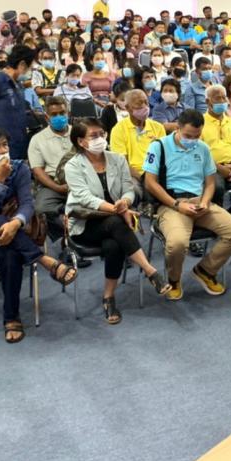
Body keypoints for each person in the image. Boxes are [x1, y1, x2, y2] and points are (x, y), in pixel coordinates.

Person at [0, 125, 77, 343]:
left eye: (5, 145)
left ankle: (11, 318)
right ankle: (44, 260)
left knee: (10, 252)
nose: (3, 151)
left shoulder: (19, 168)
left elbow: (28, 204)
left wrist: (15, 223)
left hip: (14, 234)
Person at [64, 119, 169, 323]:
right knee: (116, 223)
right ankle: (150, 271)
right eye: (93, 136)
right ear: (81, 141)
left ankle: (108, 297)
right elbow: (84, 197)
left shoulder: (117, 159)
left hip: (115, 223)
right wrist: (115, 209)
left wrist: (125, 202)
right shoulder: (73, 166)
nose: (100, 139)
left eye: (102, 134)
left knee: (113, 245)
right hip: (86, 224)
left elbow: (129, 189)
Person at [142, 109, 231, 300]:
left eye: (197, 136)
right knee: (177, 243)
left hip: (199, 202)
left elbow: (210, 182)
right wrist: (177, 205)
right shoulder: (159, 147)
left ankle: (205, 270)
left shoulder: (203, 148)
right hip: (171, 204)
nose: (193, 140)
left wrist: (205, 202)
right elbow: (150, 183)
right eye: (188, 135)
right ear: (178, 128)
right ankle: (174, 280)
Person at [28, 96, 73, 239]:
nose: (59, 117)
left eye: (62, 113)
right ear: (47, 117)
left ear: (68, 113)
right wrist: (57, 188)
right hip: (53, 184)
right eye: (54, 114)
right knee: (41, 208)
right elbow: (37, 171)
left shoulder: (78, 133)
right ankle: (68, 234)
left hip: (81, 182)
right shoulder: (37, 139)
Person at [110, 88, 167, 184]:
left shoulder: (158, 127)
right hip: (134, 175)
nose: (145, 107)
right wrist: (144, 180)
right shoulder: (118, 130)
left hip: (157, 173)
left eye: (146, 102)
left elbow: (164, 157)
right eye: (139, 104)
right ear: (127, 108)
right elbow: (122, 163)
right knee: (133, 187)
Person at [200, 84, 231, 204]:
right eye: (218, 98)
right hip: (212, 168)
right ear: (208, 101)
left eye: (224, 97)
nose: (222, 101)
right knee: (216, 188)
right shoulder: (200, 123)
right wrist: (219, 168)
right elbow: (199, 153)